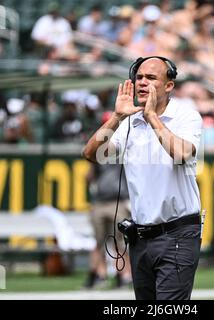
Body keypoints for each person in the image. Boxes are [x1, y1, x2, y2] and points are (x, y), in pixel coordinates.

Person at [83, 56, 203, 300]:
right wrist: (117, 117)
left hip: (178, 232)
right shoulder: (128, 122)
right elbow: (91, 154)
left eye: (151, 78)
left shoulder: (186, 116)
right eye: (139, 77)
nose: (142, 82)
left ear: (168, 86)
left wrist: (152, 117)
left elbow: (181, 153)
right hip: (140, 236)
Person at [84, 160, 133, 289]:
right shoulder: (98, 157)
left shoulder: (122, 152)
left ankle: (122, 275)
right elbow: (88, 178)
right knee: (98, 242)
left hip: (119, 201)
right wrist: (92, 164)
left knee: (119, 242)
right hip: (100, 202)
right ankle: (98, 275)